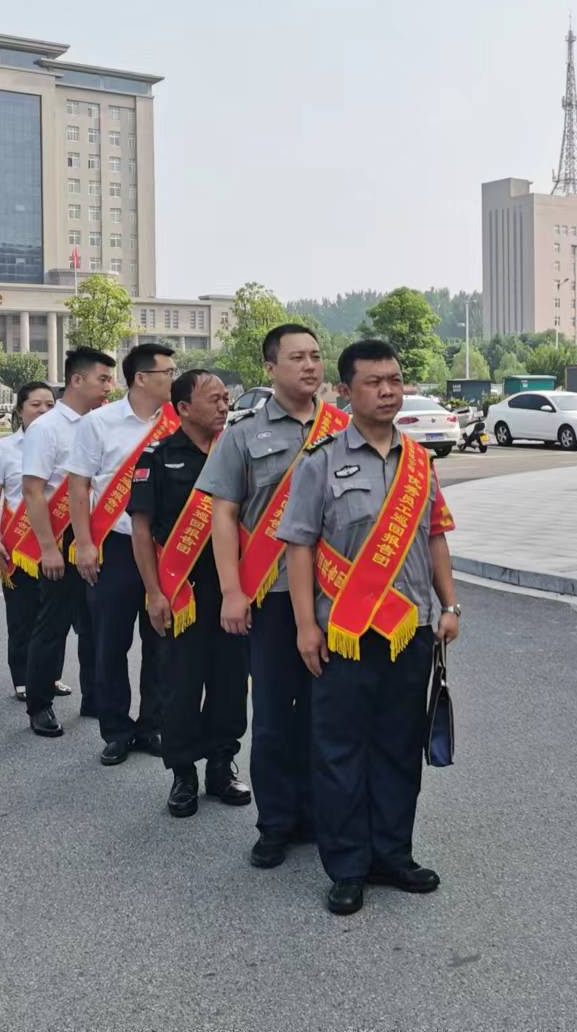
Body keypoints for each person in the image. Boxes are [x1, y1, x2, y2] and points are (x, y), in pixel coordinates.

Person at [277, 338, 461, 917]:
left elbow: (435, 536)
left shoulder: (420, 462)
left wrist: (450, 605)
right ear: (345, 391)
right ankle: (348, 866)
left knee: (399, 748)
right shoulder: (320, 461)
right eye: (374, 382)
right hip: (344, 635)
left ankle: (392, 855)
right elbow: (299, 548)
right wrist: (305, 626)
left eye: (395, 380)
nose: (387, 391)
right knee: (340, 752)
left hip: (411, 631)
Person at [195, 322, 345, 870]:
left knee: (330, 714)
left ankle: (324, 817)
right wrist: (232, 590)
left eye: (316, 355)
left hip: (340, 598)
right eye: (297, 357)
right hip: (273, 593)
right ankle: (277, 822)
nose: (310, 365)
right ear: (270, 368)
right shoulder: (243, 436)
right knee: (276, 715)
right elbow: (224, 515)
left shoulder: (344, 429)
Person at [128, 370, 253, 819]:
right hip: (181, 593)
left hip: (232, 589)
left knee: (230, 683)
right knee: (179, 686)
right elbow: (141, 531)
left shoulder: (237, 452)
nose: (224, 405)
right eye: (213, 399)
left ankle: (221, 765)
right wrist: (153, 592)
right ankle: (183, 773)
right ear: (182, 408)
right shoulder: (158, 457)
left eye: (225, 398)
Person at [65, 343, 181, 766]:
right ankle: (115, 730)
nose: (173, 378)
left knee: (161, 639)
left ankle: (152, 725)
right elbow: (79, 486)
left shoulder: (177, 421)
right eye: (167, 372)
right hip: (114, 545)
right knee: (110, 641)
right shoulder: (99, 423)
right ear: (142, 378)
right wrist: (84, 543)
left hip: (164, 548)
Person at [16, 347, 116, 738]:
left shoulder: (102, 423)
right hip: (61, 535)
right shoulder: (47, 428)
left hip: (98, 533)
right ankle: (39, 705)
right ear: (76, 380)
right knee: (53, 624)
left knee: (94, 624)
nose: (109, 386)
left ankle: (95, 696)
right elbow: (33, 490)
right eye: (102, 379)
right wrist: (48, 548)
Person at [0, 380, 65, 702]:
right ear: (20, 410)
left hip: (56, 541)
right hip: (18, 545)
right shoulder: (3, 449)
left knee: (55, 615)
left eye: (50, 405)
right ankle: (22, 678)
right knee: (22, 614)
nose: (44, 410)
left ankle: (50, 676)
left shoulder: (63, 445)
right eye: (36, 405)